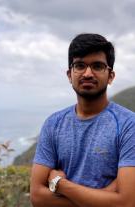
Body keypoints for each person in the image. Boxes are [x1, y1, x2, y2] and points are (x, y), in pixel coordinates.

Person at [30, 33, 135, 207]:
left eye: (97, 66)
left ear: (110, 76)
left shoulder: (128, 125)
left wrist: (61, 185)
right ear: (69, 74)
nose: (87, 73)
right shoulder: (53, 124)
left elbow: (126, 203)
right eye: (80, 65)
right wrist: (103, 199)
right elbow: (37, 197)